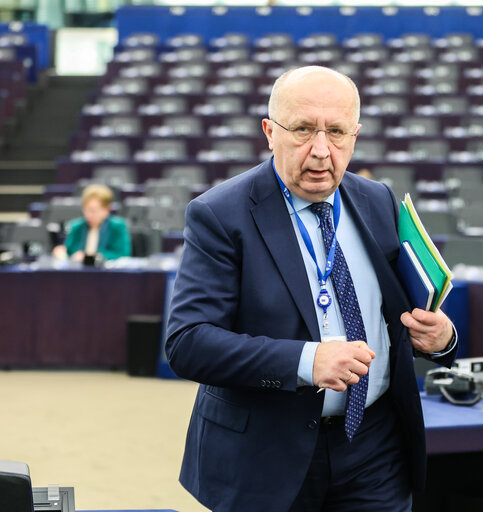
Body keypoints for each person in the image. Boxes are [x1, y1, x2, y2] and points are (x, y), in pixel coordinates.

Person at [165, 66, 457, 512]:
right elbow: (188, 343)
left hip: (373, 446)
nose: (321, 151)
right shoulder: (219, 215)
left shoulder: (377, 199)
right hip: (266, 456)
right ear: (269, 132)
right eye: (303, 129)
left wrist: (440, 339)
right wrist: (307, 360)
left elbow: (401, 309)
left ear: (355, 135)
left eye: (336, 132)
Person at [52, 184, 131, 261]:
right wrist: (61, 252)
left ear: (106, 209)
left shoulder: (117, 227)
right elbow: (68, 252)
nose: (89, 215)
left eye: (93, 211)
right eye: (86, 210)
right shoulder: (76, 226)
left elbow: (123, 254)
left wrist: (92, 257)